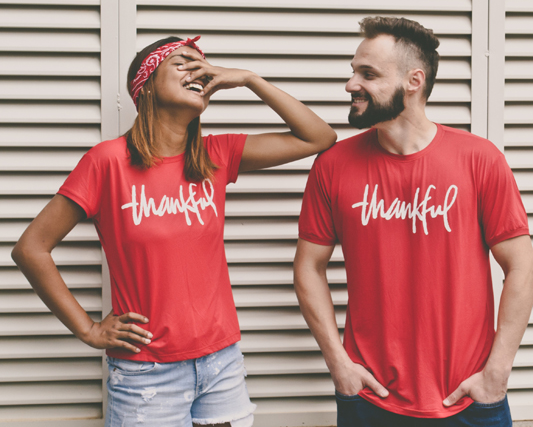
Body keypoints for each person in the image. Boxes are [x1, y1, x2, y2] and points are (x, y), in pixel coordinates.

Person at [12, 35, 336, 427]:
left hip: (222, 363)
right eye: (182, 62)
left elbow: (319, 137)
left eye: (202, 64)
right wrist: (89, 329)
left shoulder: (215, 156)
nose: (199, 70)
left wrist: (250, 79)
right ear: (145, 85)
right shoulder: (107, 163)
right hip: (147, 375)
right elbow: (31, 248)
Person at [294, 16, 533, 426]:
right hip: (369, 398)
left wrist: (497, 373)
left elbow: (523, 268)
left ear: (414, 81)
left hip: (468, 399)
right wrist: (339, 364)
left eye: (367, 73)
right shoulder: (332, 166)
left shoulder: (479, 159)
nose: (351, 84)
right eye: (353, 71)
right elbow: (308, 267)